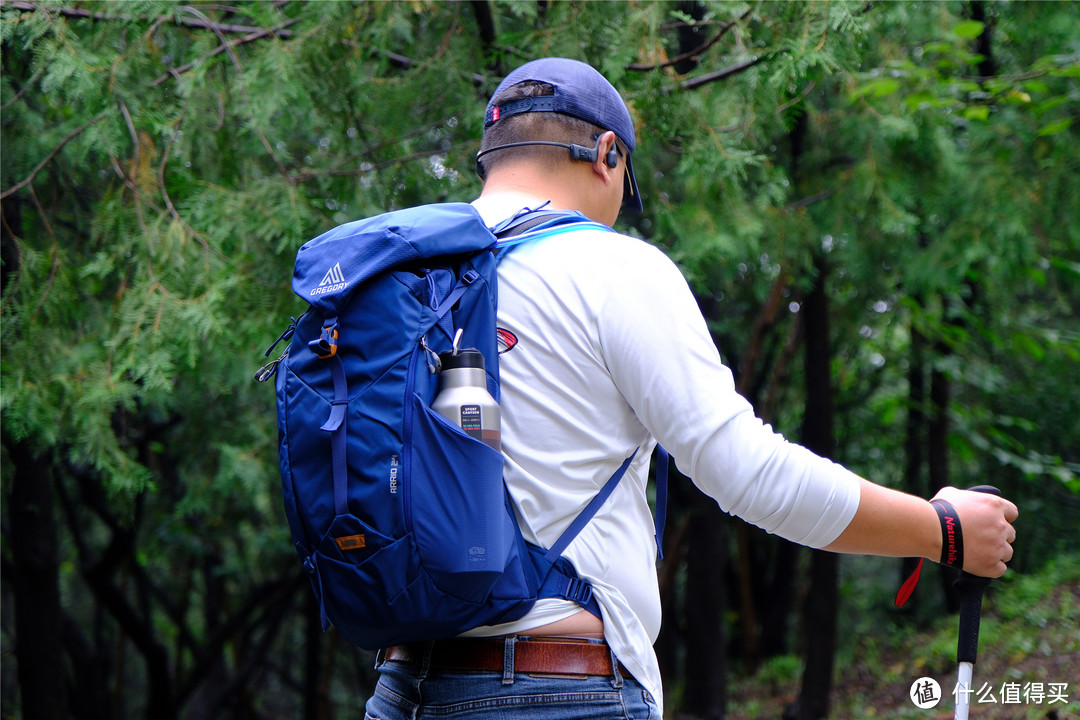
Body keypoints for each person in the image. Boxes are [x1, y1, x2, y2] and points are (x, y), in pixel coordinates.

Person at [363, 57, 1018, 720]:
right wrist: (941, 529)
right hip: (556, 692)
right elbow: (748, 475)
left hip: (399, 688)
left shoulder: (401, 278)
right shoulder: (609, 266)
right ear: (607, 154)